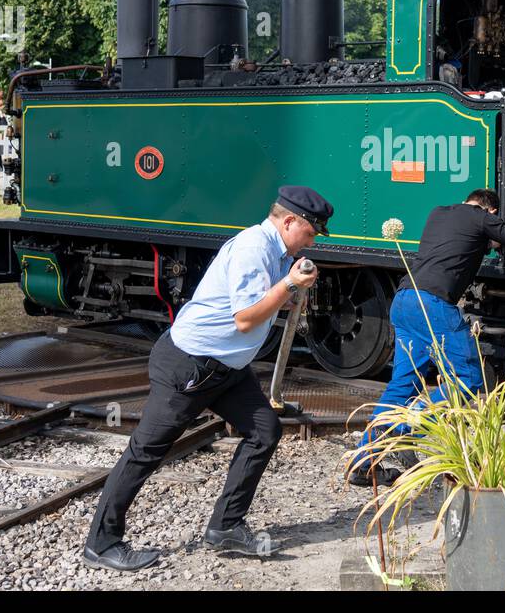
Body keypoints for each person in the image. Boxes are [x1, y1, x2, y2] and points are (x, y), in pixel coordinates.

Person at [82, 186, 332, 571]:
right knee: (146, 451)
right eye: (311, 232)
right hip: (190, 365)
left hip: (225, 369)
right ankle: (101, 542)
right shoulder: (254, 249)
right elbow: (246, 318)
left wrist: (292, 281)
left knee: (265, 431)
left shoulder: (280, 252)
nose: (312, 241)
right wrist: (290, 285)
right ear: (289, 222)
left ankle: (226, 526)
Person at [349, 188, 505, 485]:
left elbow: (459, 243)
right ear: (491, 210)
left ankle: (363, 463)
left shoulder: (438, 213)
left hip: (404, 301)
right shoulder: (482, 218)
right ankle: (408, 429)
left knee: (401, 386)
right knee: (468, 380)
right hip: (434, 305)